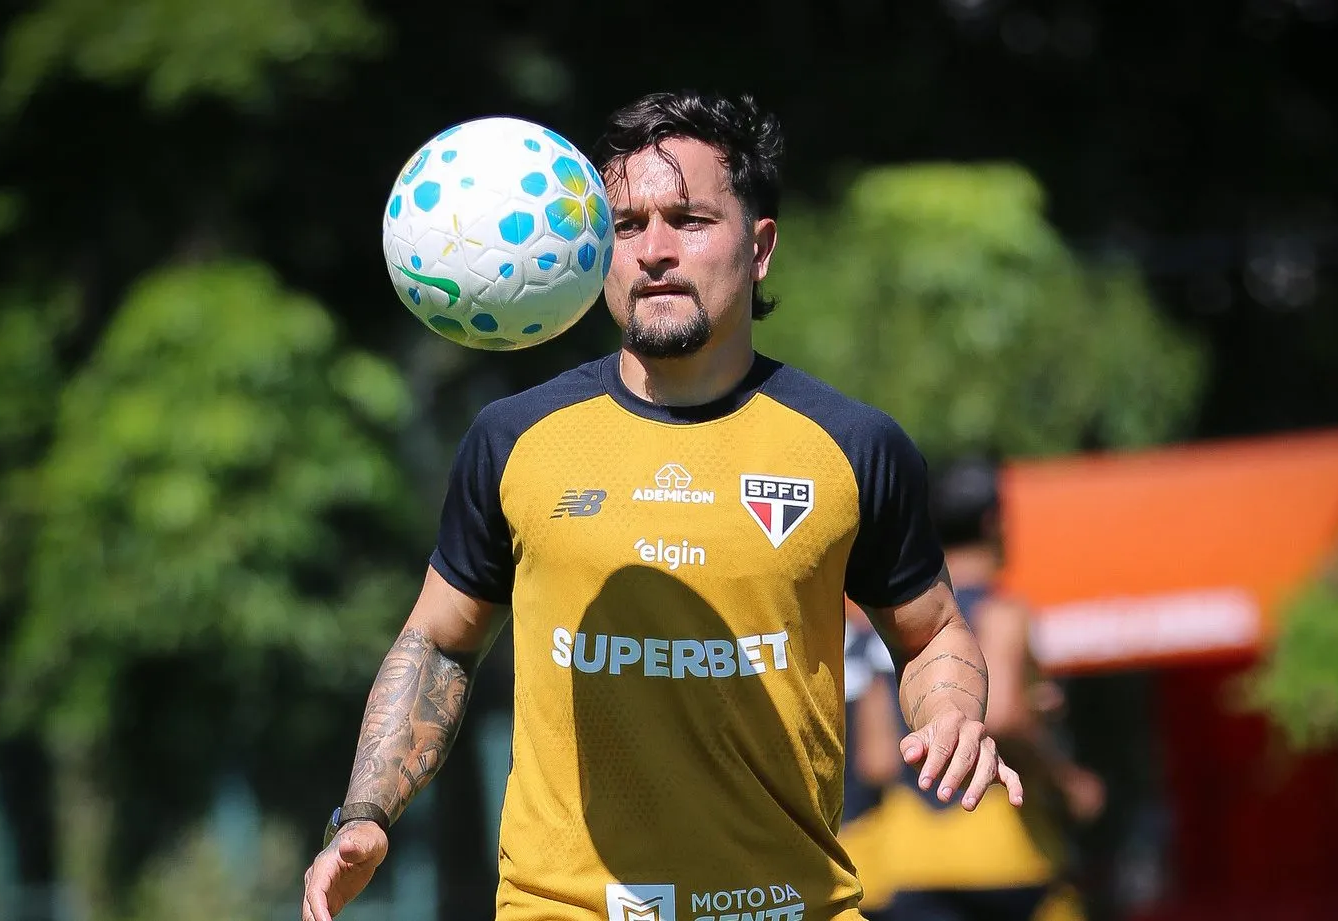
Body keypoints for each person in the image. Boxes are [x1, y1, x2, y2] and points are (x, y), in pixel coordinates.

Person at [300, 91, 1024, 921]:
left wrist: (951, 713)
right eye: (627, 224)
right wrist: (366, 810)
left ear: (759, 247)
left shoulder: (854, 444)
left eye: (689, 219)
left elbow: (931, 632)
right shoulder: (514, 438)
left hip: (793, 907)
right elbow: (439, 643)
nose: (654, 250)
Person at [852, 456, 1104, 921]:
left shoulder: (884, 627)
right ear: (994, 523)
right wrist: (1065, 780)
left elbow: (877, 760)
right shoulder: (1000, 614)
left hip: (912, 861)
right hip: (1006, 856)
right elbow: (1004, 713)